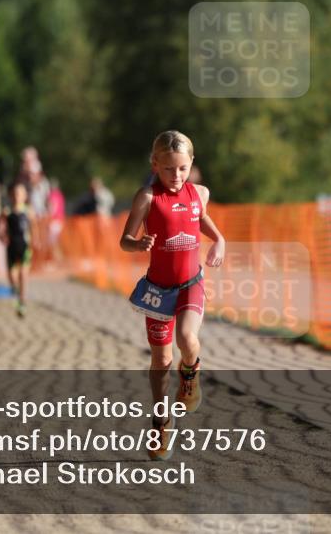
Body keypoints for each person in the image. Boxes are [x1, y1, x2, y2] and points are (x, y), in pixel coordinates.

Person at [120, 130, 225, 461]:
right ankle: (161, 421)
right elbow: (125, 239)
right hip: (157, 290)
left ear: (191, 163)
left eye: (182, 168)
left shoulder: (200, 193)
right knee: (161, 361)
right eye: (168, 169)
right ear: (154, 164)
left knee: (187, 337)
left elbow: (200, 218)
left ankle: (190, 375)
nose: (176, 175)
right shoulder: (147, 198)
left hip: (190, 282)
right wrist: (137, 244)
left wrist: (219, 240)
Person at [0, 183, 33, 318]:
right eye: (15, 194)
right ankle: (16, 292)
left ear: (25, 196)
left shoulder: (28, 211)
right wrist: (1, 237)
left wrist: (36, 240)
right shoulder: (7, 211)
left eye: (20, 194)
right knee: (12, 276)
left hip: (25, 247)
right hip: (11, 246)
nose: (17, 196)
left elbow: (35, 227)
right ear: (11, 196)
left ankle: (22, 302)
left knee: (23, 274)